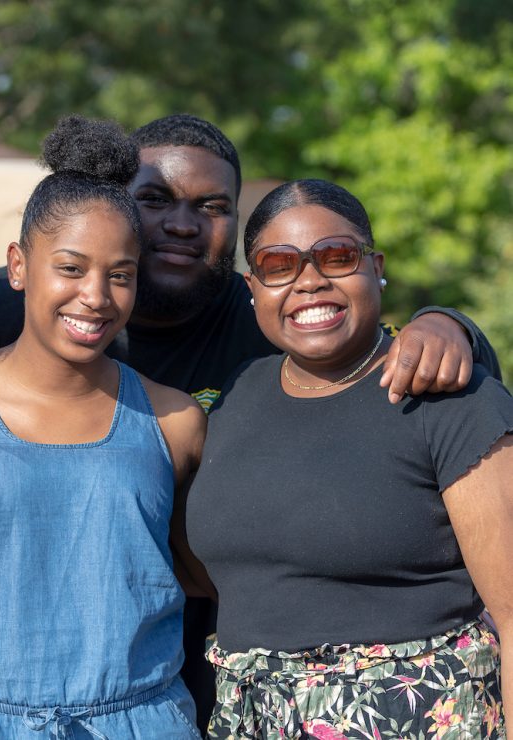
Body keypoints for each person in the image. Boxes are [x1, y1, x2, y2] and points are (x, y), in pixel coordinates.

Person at [0, 114, 501, 734]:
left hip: (180, 701)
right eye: (155, 199)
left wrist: (453, 325)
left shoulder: (267, 332)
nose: (182, 223)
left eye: (211, 208)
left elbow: (382, 361)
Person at [0, 115, 207, 739]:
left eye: (122, 274)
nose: (97, 296)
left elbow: (218, 578)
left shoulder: (176, 421)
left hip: (144, 723)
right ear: (19, 265)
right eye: (72, 267)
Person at [185, 178, 512, 738]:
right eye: (279, 265)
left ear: (374, 265)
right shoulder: (236, 395)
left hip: (416, 719)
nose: (310, 281)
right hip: (250, 719)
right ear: (252, 287)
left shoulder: (448, 397)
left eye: (336, 257)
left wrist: (448, 321)